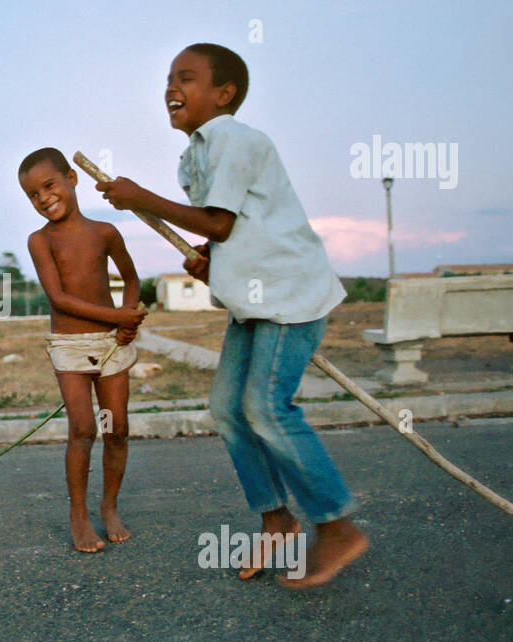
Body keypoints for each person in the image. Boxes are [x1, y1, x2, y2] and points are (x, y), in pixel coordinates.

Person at [96, 43, 367, 588]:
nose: (172, 87)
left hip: (291, 298)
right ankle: (276, 519)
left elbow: (219, 221)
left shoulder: (235, 138)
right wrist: (211, 261)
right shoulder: (200, 150)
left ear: (226, 94)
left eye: (188, 78)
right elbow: (234, 229)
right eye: (169, 78)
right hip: (256, 303)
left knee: (264, 407)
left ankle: (337, 525)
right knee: (227, 408)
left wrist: (137, 198)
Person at [19, 148, 146, 553]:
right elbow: (58, 299)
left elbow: (131, 279)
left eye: (49, 185)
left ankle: (109, 506)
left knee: (117, 428)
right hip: (71, 348)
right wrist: (118, 317)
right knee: (83, 428)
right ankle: (79, 515)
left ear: (72, 179)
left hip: (110, 345)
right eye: (33, 195)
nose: (43, 198)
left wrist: (126, 317)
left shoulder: (105, 232)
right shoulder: (39, 240)